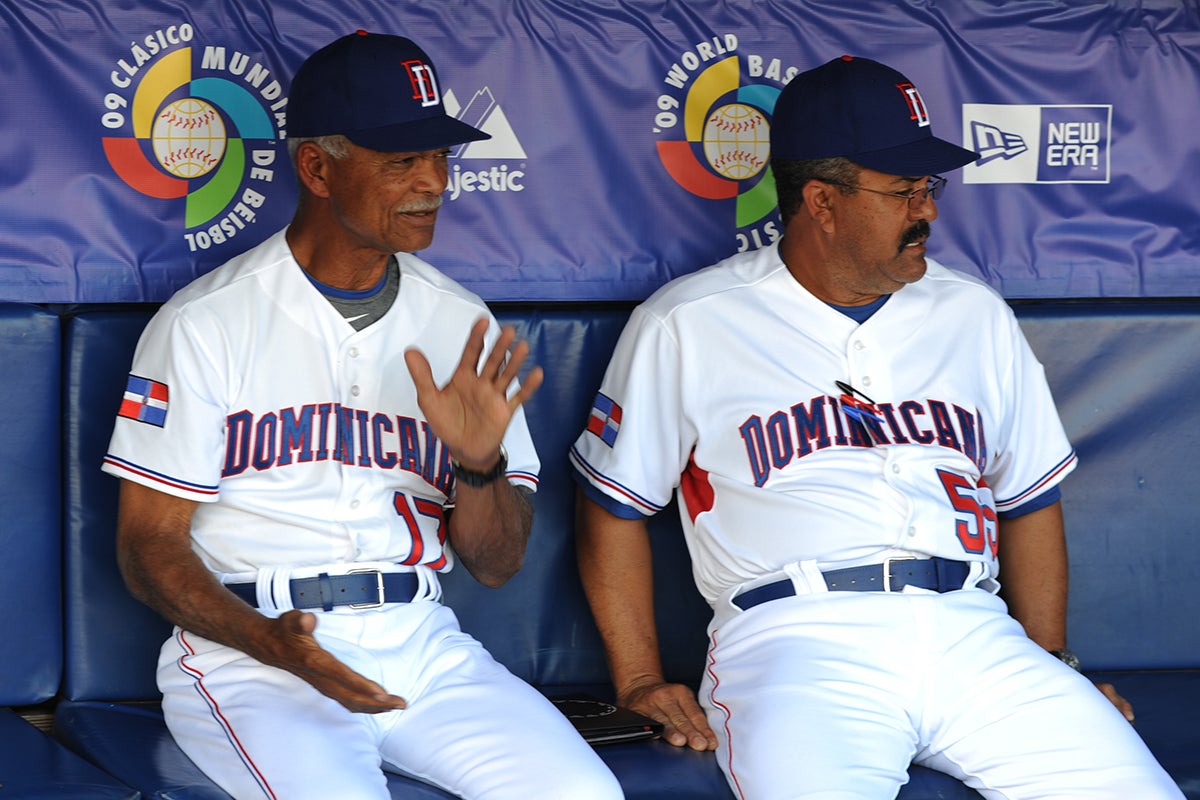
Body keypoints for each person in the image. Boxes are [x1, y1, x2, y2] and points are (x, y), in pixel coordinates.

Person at [570, 55, 1182, 799]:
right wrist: (637, 680)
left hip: (975, 632)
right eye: (902, 191)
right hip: (798, 642)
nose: (926, 210)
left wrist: (1052, 657)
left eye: (930, 188)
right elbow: (613, 506)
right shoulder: (688, 321)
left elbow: (1026, 498)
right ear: (821, 202)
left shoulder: (974, 314)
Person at [104, 30, 622, 800]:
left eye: (441, 157)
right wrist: (268, 645)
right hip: (252, 652)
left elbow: (497, 562)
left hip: (420, 643)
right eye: (400, 161)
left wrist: (479, 466)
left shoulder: (458, 323)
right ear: (317, 166)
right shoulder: (205, 322)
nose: (434, 182)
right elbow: (148, 547)